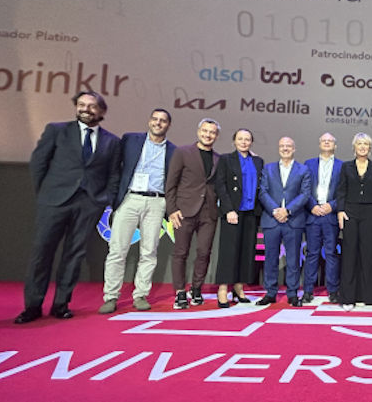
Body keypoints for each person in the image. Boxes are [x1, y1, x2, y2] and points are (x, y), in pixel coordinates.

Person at [16, 91, 121, 324]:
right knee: (42, 252)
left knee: (74, 255)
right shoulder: (57, 130)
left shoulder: (112, 142)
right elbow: (39, 162)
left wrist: (104, 200)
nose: (85, 109)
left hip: (89, 204)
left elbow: (114, 174)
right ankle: (32, 306)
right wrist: (44, 193)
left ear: (101, 111)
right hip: (54, 201)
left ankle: (61, 304)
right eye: (81, 104)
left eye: (91, 106)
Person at [99, 108, 176, 314]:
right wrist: (113, 199)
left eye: (163, 120)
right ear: (149, 121)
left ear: (168, 125)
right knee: (117, 250)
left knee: (149, 252)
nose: (158, 123)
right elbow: (115, 169)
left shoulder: (173, 151)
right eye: (155, 119)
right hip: (130, 198)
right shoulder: (130, 140)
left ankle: (140, 295)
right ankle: (110, 296)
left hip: (156, 202)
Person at [165, 118, 220, 309]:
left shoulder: (218, 159)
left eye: (212, 132)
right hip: (184, 211)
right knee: (181, 252)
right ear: (198, 132)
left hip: (209, 213)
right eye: (205, 131)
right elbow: (171, 183)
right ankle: (180, 292)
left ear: (216, 136)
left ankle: (196, 289)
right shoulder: (182, 152)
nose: (208, 135)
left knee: (204, 252)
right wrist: (172, 209)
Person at [257, 137, 311, 307]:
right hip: (271, 219)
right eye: (282, 146)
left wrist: (287, 211)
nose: (285, 148)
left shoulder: (303, 170)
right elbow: (263, 192)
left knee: (293, 259)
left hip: (293, 220)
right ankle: (270, 292)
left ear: (294, 149)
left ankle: (292, 293)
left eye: (288, 146)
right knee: (270, 258)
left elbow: (305, 194)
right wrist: (275, 210)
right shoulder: (268, 168)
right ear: (278, 148)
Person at [214, 128, 263, 307]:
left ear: (251, 142)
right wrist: (228, 210)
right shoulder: (226, 159)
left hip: (251, 212)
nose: (243, 142)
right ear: (234, 141)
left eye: (247, 139)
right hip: (233, 212)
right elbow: (220, 186)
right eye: (240, 139)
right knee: (229, 251)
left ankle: (238, 287)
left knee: (246, 251)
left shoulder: (258, 161)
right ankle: (222, 289)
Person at [336, 133, 372, 310]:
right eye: (359, 143)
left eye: (365, 144)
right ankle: (348, 297)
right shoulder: (346, 166)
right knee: (349, 254)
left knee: (368, 254)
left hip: (370, 213)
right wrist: (340, 211)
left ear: (370, 148)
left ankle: (368, 296)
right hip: (350, 212)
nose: (362, 147)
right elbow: (341, 190)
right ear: (354, 147)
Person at [303, 133, 343, 304]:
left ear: (335, 145)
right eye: (324, 141)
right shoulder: (308, 164)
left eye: (330, 141)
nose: (327, 143)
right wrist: (312, 205)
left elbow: (344, 192)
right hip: (313, 214)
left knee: (331, 254)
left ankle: (333, 290)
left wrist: (332, 205)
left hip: (330, 215)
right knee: (312, 253)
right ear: (319, 144)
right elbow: (304, 188)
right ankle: (308, 290)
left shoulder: (342, 166)